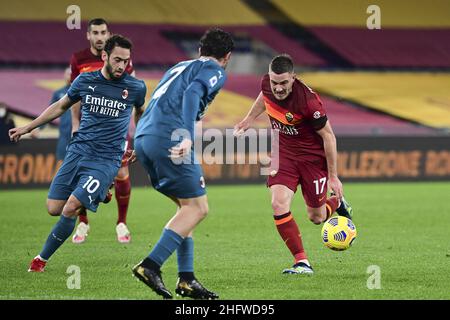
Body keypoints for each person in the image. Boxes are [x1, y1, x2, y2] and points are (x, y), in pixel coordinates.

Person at [9, 35, 146, 272]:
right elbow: (61, 106)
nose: (121, 66)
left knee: (71, 206)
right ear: (104, 56)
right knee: (54, 208)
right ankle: (100, 192)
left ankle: (40, 260)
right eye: (117, 60)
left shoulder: (135, 87)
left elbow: (141, 113)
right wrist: (29, 126)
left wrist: (140, 143)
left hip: (107, 159)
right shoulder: (85, 81)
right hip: (78, 152)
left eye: (125, 61)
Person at [132, 27, 234, 299]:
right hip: (170, 137)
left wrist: (143, 141)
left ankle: (187, 279)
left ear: (199, 50)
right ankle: (150, 265)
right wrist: (188, 136)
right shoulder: (215, 70)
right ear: (227, 57)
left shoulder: (180, 66)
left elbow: (158, 101)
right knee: (198, 208)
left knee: (185, 207)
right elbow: (191, 95)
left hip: (145, 135)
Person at [234, 54, 353, 275]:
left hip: (312, 160)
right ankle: (302, 262)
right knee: (278, 204)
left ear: (294, 78)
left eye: (284, 83)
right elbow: (264, 95)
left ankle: (337, 203)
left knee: (316, 217)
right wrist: (249, 118)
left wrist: (333, 177)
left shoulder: (309, 102)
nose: (278, 88)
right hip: (283, 154)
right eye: (274, 82)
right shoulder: (267, 84)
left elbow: (329, 137)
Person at [70, 18, 136, 244]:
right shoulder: (79, 60)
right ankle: (83, 223)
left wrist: (132, 129)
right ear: (88, 35)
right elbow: (74, 96)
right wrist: (75, 125)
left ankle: (121, 222)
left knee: (122, 175)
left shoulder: (120, 58)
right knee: (81, 174)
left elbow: (133, 91)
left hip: (116, 130)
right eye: (95, 32)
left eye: (103, 32)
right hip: (89, 130)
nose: (100, 36)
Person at [51, 68, 72, 162]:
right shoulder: (58, 93)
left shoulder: (82, 92)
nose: (70, 76)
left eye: (72, 73)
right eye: (68, 74)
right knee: (61, 160)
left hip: (78, 133)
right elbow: (50, 111)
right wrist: (39, 128)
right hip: (64, 133)